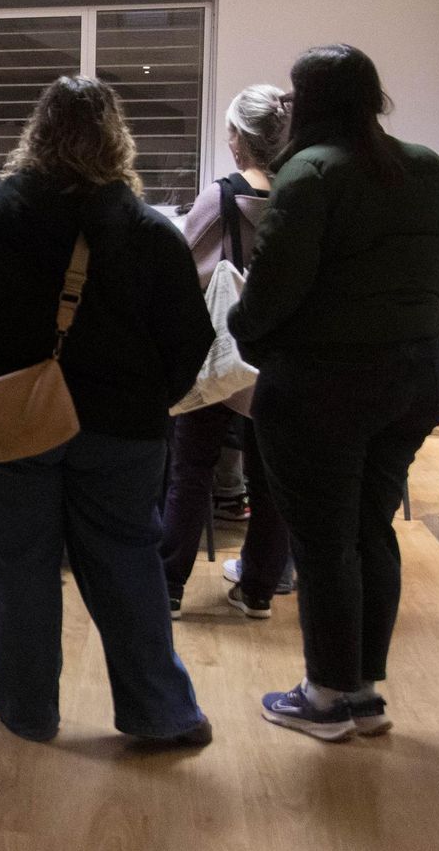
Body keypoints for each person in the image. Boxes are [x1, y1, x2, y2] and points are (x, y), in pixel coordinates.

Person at [0, 76, 215, 746]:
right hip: (123, 428)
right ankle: (160, 712)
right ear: (117, 139)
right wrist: (148, 402)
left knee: (15, 564)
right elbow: (190, 342)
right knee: (128, 562)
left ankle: (27, 710)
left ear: (37, 135)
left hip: (3, 418)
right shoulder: (151, 235)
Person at [229, 45, 439, 741]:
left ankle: (326, 697)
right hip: (415, 379)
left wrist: (243, 331)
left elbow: (272, 290)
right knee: (370, 529)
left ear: (308, 102)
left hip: (324, 387)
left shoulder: (309, 171)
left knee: (325, 541)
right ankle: (362, 692)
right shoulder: (427, 165)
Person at [160, 85, 293, 622]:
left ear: (240, 138)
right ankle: (258, 590)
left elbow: (179, 267)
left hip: (217, 355)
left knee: (191, 468)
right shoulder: (299, 194)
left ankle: (169, 587)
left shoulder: (220, 198)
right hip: (276, 356)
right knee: (271, 478)